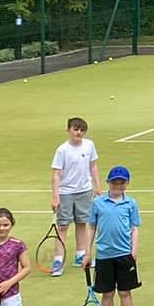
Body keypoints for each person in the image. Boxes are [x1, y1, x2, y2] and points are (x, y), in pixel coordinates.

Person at [90, 165, 142, 306]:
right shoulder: (98, 203)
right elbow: (92, 228)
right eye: (114, 182)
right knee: (107, 294)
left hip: (124, 255)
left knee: (125, 293)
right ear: (108, 183)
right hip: (104, 255)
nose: (117, 185)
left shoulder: (131, 204)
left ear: (126, 184)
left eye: (121, 182)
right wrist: (87, 252)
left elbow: (135, 228)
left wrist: (134, 250)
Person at [48, 115, 101, 277]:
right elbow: (56, 174)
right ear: (68, 130)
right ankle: (58, 260)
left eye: (82, 130)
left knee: (82, 222)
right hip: (65, 192)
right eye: (76, 129)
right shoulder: (62, 150)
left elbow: (93, 166)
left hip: (84, 191)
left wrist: (97, 187)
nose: (79, 133)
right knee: (63, 226)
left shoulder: (89, 145)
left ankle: (80, 255)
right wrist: (55, 196)